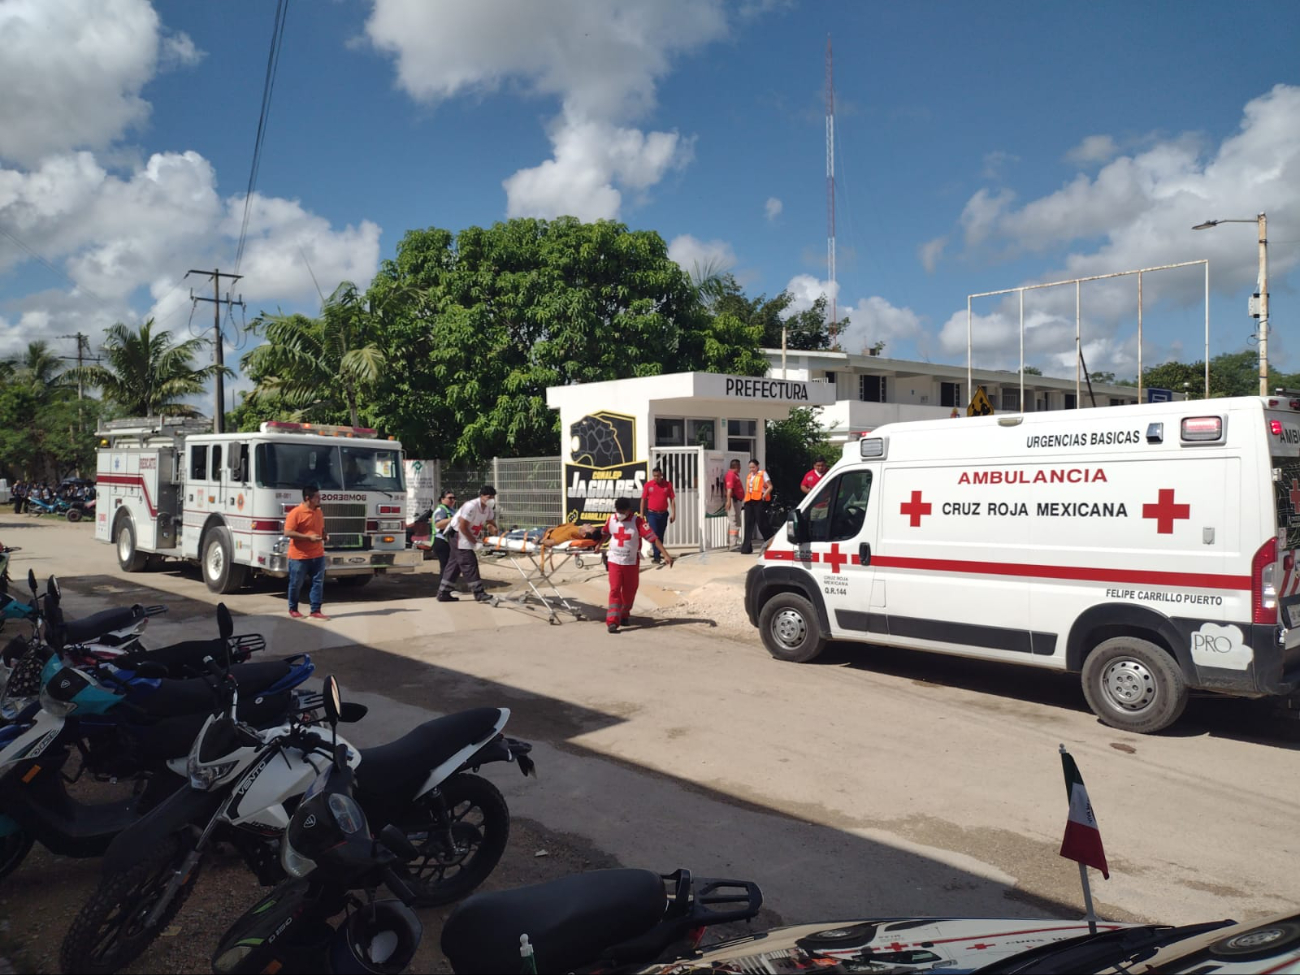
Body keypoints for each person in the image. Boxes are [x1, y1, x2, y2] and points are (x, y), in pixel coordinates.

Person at [602, 496, 673, 633]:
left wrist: (665, 554)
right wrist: (599, 545)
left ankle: (624, 614)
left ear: (629, 510)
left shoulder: (638, 522)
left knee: (629, 591)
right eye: (618, 511)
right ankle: (612, 622)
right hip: (614, 560)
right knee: (615, 589)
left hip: (631, 562)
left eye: (623, 511)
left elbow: (653, 538)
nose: (620, 514)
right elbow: (605, 533)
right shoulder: (611, 519)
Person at [437, 484, 499, 603]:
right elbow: (463, 526)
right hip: (458, 534)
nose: (491, 500)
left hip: (466, 535)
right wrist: (475, 543)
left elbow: (490, 522)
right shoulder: (471, 506)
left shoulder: (488, 508)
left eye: (493, 497)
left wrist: (493, 528)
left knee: (455, 564)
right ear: (481, 496)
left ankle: (443, 592)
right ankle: (479, 593)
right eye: (488, 497)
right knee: (469, 562)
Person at [285, 485, 330, 620]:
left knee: (318, 582)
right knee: (296, 583)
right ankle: (293, 609)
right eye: (316, 497)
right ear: (307, 498)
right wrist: (308, 538)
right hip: (299, 557)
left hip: (318, 555)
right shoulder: (296, 513)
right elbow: (288, 532)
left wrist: (324, 535)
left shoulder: (319, 512)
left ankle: (315, 610)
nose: (319, 499)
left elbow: (321, 529)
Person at [640, 466, 676, 564]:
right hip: (652, 514)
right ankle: (656, 556)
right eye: (654, 476)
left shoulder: (667, 485)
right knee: (654, 534)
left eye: (658, 476)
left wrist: (674, 514)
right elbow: (643, 499)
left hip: (663, 514)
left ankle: (659, 554)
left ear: (661, 475)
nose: (656, 477)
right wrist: (641, 514)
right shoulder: (648, 485)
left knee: (660, 535)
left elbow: (672, 499)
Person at [739, 459, 772, 555]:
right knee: (748, 523)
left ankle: (770, 543)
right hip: (749, 500)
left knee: (762, 523)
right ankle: (746, 547)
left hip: (758, 501)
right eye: (750, 467)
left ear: (757, 466)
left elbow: (770, 486)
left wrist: (764, 496)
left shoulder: (763, 474)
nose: (751, 469)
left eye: (753, 467)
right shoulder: (749, 476)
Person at [430, 489, 457, 579]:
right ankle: (445, 588)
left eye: (454, 498)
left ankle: (448, 587)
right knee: (446, 565)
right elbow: (438, 524)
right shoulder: (441, 510)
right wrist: (453, 519)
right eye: (450, 498)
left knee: (451, 565)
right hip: (441, 541)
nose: (452, 500)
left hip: (449, 541)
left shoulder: (452, 510)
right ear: (442, 499)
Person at [723, 459, 744, 551]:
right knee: (733, 522)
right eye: (739, 466)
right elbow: (729, 489)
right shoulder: (731, 475)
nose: (740, 468)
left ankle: (734, 542)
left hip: (736, 501)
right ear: (736, 466)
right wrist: (728, 501)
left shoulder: (735, 475)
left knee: (736, 522)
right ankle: (732, 544)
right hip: (732, 501)